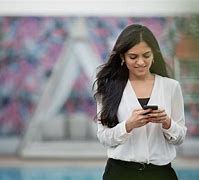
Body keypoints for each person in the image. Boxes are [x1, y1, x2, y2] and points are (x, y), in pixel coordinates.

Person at [93, 24, 187, 180]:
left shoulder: (171, 87)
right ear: (122, 57)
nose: (141, 62)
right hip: (120, 173)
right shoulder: (108, 88)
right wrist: (128, 125)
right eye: (133, 57)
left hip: (160, 174)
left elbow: (180, 137)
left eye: (146, 55)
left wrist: (167, 122)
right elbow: (104, 137)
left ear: (154, 55)